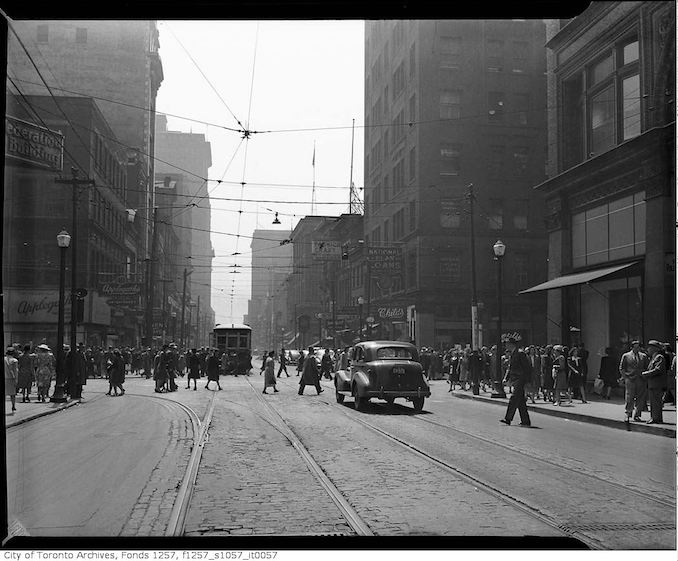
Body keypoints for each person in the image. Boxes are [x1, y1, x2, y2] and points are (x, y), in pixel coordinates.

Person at [500, 338, 532, 426]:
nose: (506, 346)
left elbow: (527, 368)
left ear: (511, 344)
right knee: (520, 401)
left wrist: (527, 381)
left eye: (507, 344)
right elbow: (510, 368)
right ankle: (525, 420)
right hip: (516, 379)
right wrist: (506, 378)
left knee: (514, 398)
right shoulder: (513, 354)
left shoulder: (520, 353)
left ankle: (508, 418)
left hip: (520, 379)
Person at [619, 340, 649, 422]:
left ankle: (637, 415)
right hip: (630, 379)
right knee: (629, 397)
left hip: (641, 379)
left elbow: (647, 367)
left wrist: (645, 377)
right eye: (635, 347)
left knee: (640, 398)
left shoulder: (644, 356)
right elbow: (622, 367)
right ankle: (628, 413)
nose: (637, 349)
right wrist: (625, 377)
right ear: (631, 347)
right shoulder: (626, 356)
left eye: (638, 347)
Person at [642, 340, 667, 424]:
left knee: (656, 402)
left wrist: (646, 373)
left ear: (654, 349)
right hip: (653, 383)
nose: (648, 349)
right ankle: (655, 418)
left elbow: (658, 370)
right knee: (654, 402)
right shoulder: (653, 357)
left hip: (656, 384)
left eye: (650, 347)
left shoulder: (659, 357)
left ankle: (655, 418)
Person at [5, 347, 19, 412]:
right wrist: (16, 379)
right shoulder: (14, 360)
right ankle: (13, 406)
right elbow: (15, 371)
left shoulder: (4, 359)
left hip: (5, 377)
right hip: (11, 378)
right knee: (12, 394)